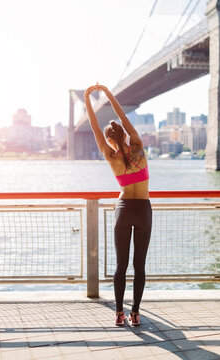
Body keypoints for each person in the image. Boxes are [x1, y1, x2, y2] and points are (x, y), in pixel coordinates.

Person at [84, 84, 152, 327]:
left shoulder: (109, 156)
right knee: (139, 265)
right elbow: (122, 115)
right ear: (124, 134)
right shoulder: (137, 146)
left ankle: (119, 313)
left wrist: (86, 98)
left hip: (123, 210)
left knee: (120, 265)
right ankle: (135, 313)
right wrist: (107, 93)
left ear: (108, 139)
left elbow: (93, 126)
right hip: (143, 208)